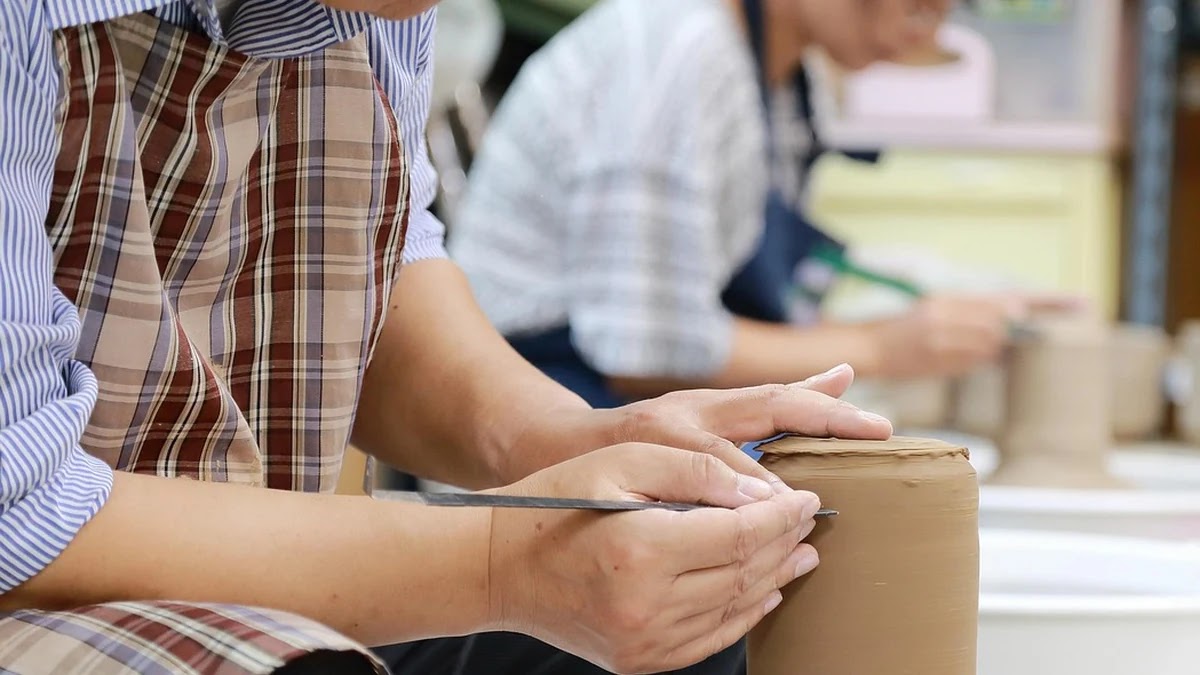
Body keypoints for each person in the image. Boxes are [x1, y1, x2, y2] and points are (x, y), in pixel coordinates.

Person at [0, 1, 894, 674]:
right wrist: (513, 564)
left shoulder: (384, 14)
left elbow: (374, 265)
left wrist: (568, 439)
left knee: (687, 636)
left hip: (228, 563)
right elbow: (19, 512)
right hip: (38, 579)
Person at [451, 0, 1072, 411]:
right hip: (536, 416)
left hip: (628, 401)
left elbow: (777, 291)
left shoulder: (788, 77)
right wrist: (886, 347)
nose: (928, 27)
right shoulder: (676, 54)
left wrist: (962, 299)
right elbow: (642, 353)